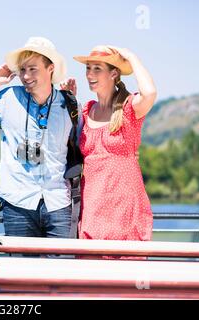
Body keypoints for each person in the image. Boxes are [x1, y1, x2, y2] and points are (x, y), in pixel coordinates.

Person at [0, 37, 77, 238]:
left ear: (50, 68)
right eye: (22, 70)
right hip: (17, 203)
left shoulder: (68, 103)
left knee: (61, 268)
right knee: (21, 269)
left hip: (57, 203)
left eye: (33, 69)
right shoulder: (9, 98)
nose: (26, 76)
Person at [62, 45, 157, 242]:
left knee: (125, 269)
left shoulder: (129, 108)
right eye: (88, 68)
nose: (90, 74)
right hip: (92, 206)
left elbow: (149, 93)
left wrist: (131, 56)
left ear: (114, 73)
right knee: (92, 269)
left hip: (125, 206)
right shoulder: (87, 110)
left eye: (97, 68)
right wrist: (69, 100)